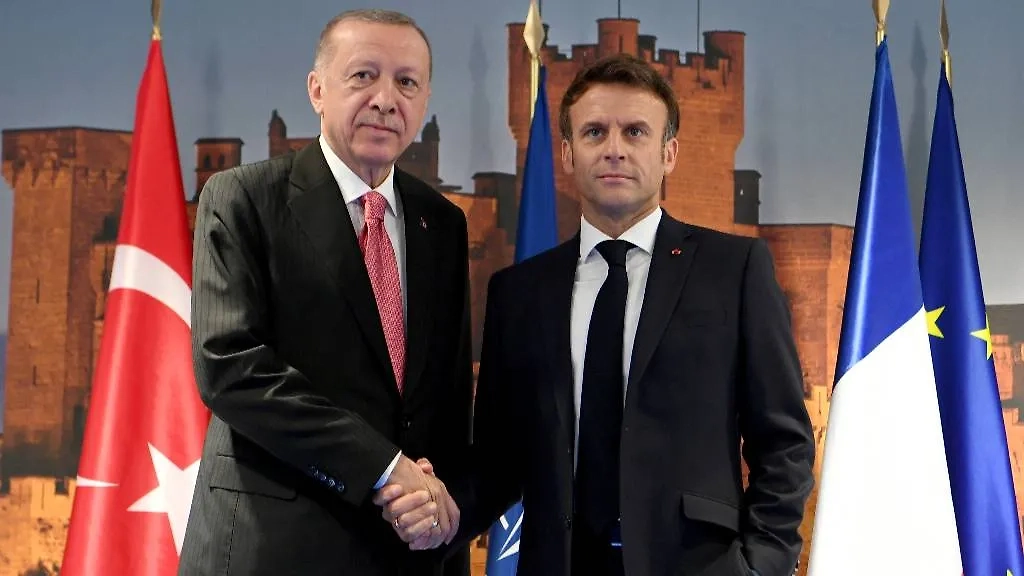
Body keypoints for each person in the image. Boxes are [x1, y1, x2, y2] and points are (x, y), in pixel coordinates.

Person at [379, 53, 815, 576]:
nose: (614, 149)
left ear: (669, 152)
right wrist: (440, 508)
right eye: (594, 132)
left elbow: (784, 442)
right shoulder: (519, 292)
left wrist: (761, 565)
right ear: (567, 153)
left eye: (635, 132)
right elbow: (499, 460)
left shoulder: (734, 270)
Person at [178, 8, 470, 576]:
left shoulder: (443, 224)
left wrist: (439, 516)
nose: (386, 99)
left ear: (425, 101)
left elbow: (448, 405)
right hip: (273, 551)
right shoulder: (243, 199)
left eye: (406, 82)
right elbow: (231, 368)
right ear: (317, 90)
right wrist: (383, 467)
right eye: (364, 76)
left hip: (404, 556)